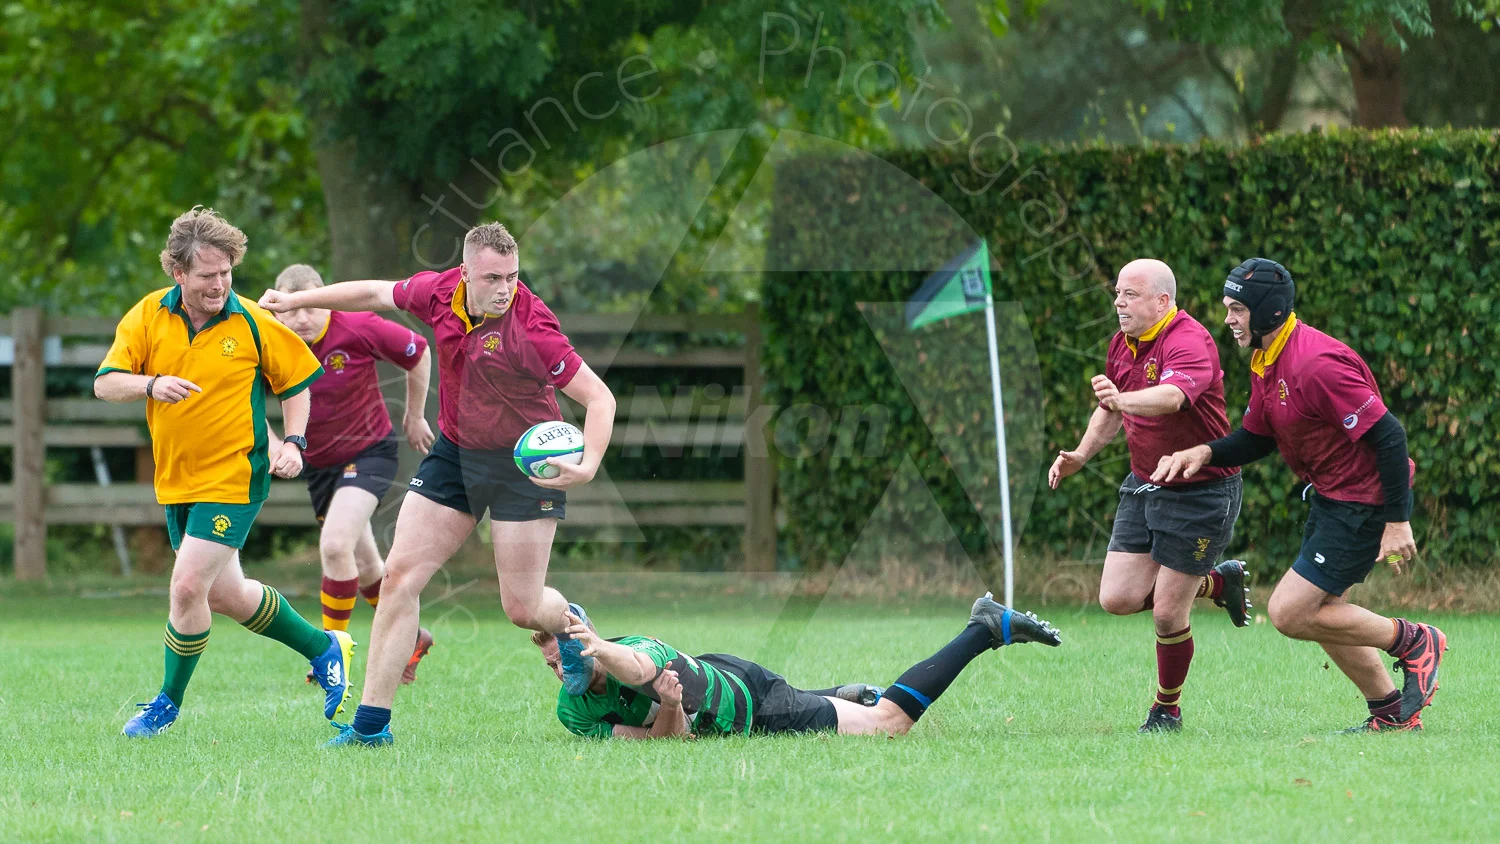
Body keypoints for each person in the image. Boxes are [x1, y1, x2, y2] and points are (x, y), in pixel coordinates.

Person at [258, 222, 617, 746]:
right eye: (492, 278)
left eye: (512, 277)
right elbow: (375, 293)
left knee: (521, 608)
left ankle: (566, 620)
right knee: (399, 577)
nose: (504, 289)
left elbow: (600, 398)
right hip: (457, 454)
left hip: (522, 466)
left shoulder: (532, 327)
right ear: (465, 273)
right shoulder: (439, 292)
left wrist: (587, 465)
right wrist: (296, 300)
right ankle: (371, 727)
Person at [1152, 258, 1444, 732]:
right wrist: (1204, 452)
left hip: (1362, 503)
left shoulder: (1316, 363)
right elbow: (1257, 436)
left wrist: (1397, 520)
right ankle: (1392, 712)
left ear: (1267, 311)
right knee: (1324, 614)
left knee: (1290, 612)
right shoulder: (1269, 358)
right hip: (1332, 498)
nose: (1228, 319)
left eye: (1237, 309)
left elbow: (1389, 436)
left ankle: (1414, 641)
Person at [96, 207, 353, 738]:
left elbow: (297, 383)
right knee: (224, 595)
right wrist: (151, 384)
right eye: (207, 275)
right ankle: (323, 647)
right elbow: (106, 383)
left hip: (235, 476)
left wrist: (295, 442)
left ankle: (166, 704)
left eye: (226, 272)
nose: (219, 285)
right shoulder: (148, 315)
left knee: (188, 586)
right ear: (179, 273)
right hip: (177, 480)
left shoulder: (252, 321)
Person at [1048, 258, 1249, 733]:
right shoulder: (1123, 342)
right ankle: (1216, 583)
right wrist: (1081, 454)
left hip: (1201, 491)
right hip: (1145, 482)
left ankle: (1166, 710)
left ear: (1162, 301)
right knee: (1117, 599)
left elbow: (1171, 397)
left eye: (1130, 295)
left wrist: (1120, 399)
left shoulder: (1190, 340)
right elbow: (1110, 409)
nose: (1118, 303)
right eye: (1117, 293)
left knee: (1167, 613)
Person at [534, 594, 1062, 739]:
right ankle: (835, 694)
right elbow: (659, 744)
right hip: (725, 686)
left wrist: (597, 647)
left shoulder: (635, 648)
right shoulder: (571, 711)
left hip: (749, 705)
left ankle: (984, 629)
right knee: (831, 708)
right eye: (551, 664)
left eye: (567, 655)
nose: (561, 671)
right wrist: (670, 708)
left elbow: (637, 667)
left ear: (587, 639)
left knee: (889, 723)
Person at [268, 264, 437, 685]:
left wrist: (415, 415)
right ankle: (412, 638)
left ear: (325, 300)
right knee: (363, 562)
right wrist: (276, 445)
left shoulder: (357, 326)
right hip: (320, 466)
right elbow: (242, 397)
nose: (302, 318)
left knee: (335, 544)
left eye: (311, 306)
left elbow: (418, 351)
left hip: (369, 453)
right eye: (292, 309)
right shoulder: (267, 341)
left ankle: (330, 654)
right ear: (277, 309)